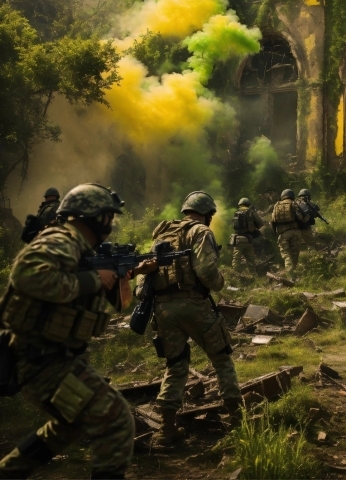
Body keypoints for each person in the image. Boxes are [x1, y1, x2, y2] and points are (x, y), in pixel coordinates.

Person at [0, 183, 142, 480]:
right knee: (115, 418)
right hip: (40, 359)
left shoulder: (82, 248)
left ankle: (10, 471)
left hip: (57, 358)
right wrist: (93, 280)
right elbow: (26, 276)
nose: (111, 224)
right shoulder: (62, 240)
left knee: (69, 424)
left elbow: (122, 305)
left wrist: (124, 278)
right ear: (95, 217)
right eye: (109, 217)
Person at [144, 190, 242, 447]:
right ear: (207, 214)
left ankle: (166, 429)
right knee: (221, 357)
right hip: (193, 304)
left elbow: (146, 273)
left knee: (175, 364)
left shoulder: (162, 233)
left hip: (163, 307)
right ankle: (238, 419)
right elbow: (207, 271)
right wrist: (220, 282)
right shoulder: (201, 232)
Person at [271, 189, 310, 277]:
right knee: (294, 254)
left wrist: (275, 233)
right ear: (292, 196)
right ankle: (293, 273)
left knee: (286, 255)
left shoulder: (276, 205)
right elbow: (300, 218)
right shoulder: (294, 204)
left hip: (283, 233)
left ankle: (290, 274)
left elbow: (273, 221)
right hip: (296, 232)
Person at [229, 197, 264, 274]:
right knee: (251, 260)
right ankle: (253, 276)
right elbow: (261, 223)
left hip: (237, 240)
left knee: (236, 260)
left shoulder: (236, 212)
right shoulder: (251, 212)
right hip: (248, 239)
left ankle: (235, 276)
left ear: (240, 205)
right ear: (248, 204)